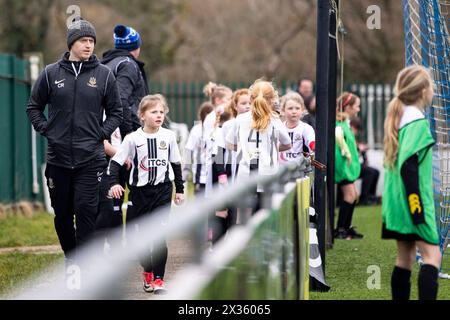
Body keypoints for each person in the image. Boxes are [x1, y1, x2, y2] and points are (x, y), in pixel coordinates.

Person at [26, 18, 123, 263]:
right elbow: (33, 107)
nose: (88, 45)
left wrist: (100, 133)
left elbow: (116, 112)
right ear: (71, 43)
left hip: (90, 159)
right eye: (83, 40)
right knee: (62, 215)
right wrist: (46, 129)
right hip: (58, 159)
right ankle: (73, 258)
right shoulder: (50, 74)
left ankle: (83, 266)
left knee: (87, 212)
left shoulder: (104, 75)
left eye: (91, 41)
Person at [109, 94, 184, 295]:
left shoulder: (168, 137)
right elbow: (115, 163)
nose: (159, 115)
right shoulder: (132, 139)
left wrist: (180, 190)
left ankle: (159, 280)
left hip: (162, 192)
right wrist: (114, 184)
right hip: (139, 194)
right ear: (141, 115)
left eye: (161, 112)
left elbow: (176, 163)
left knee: (159, 237)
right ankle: (148, 269)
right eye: (153, 112)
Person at [382, 65, 441, 300]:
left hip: (396, 204)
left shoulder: (400, 119)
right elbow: (409, 167)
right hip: (412, 204)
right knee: (433, 256)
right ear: (424, 90)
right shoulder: (417, 123)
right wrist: (417, 210)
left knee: (405, 259)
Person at [98, 24, 149, 246]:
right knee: (127, 193)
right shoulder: (128, 65)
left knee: (111, 194)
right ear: (135, 47)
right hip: (118, 138)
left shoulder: (105, 63)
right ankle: (121, 247)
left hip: (104, 137)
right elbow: (120, 103)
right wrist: (130, 139)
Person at [226, 80, 291, 214]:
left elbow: (228, 143)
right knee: (264, 216)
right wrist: (270, 149)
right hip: (268, 174)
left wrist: (243, 149)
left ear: (251, 98)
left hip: (245, 174)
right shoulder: (275, 120)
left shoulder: (240, 119)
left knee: (246, 218)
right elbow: (287, 144)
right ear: (272, 99)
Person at [334, 92, 363, 240]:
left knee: (353, 196)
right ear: (348, 107)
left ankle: (346, 227)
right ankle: (340, 229)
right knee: (350, 195)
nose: (358, 109)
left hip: (346, 167)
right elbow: (339, 148)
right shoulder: (339, 125)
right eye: (357, 106)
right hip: (343, 168)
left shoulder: (344, 123)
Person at [183, 102, 214, 197]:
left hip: (215, 175)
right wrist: (186, 169)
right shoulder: (197, 130)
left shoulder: (219, 129)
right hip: (200, 177)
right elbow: (189, 149)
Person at [349, 117, 381, 206]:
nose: (357, 131)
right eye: (356, 128)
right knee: (370, 172)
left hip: (355, 164)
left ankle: (370, 196)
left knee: (376, 172)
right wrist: (359, 147)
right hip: (349, 166)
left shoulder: (351, 134)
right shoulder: (347, 132)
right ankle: (364, 199)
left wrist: (360, 147)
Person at [279, 91, 315, 164]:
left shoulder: (306, 128)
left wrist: (314, 147)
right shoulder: (279, 128)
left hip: (300, 169)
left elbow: (311, 142)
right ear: (283, 110)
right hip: (282, 169)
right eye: (290, 108)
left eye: (297, 108)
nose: (294, 111)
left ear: (302, 110)